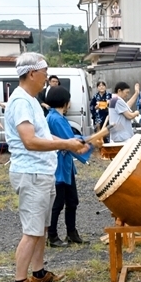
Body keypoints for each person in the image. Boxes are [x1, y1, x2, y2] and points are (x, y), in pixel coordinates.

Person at [4, 52, 89, 282]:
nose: (47, 78)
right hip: (30, 172)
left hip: (41, 171)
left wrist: (68, 142)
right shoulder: (21, 101)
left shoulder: (32, 100)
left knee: (41, 226)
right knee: (32, 230)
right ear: (32, 73)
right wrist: (66, 145)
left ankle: (38, 272)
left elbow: (43, 135)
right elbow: (30, 141)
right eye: (44, 72)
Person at [45, 86, 93, 248]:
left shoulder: (56, 116)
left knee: (72, 200)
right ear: (65, 102)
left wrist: (85, 140)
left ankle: (72, 233)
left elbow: (71, 139)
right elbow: (69, 141)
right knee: (58, 202)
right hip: (58, 166)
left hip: (65, 165)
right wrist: (88, 142)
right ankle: (52, 236)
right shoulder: (55, 118)